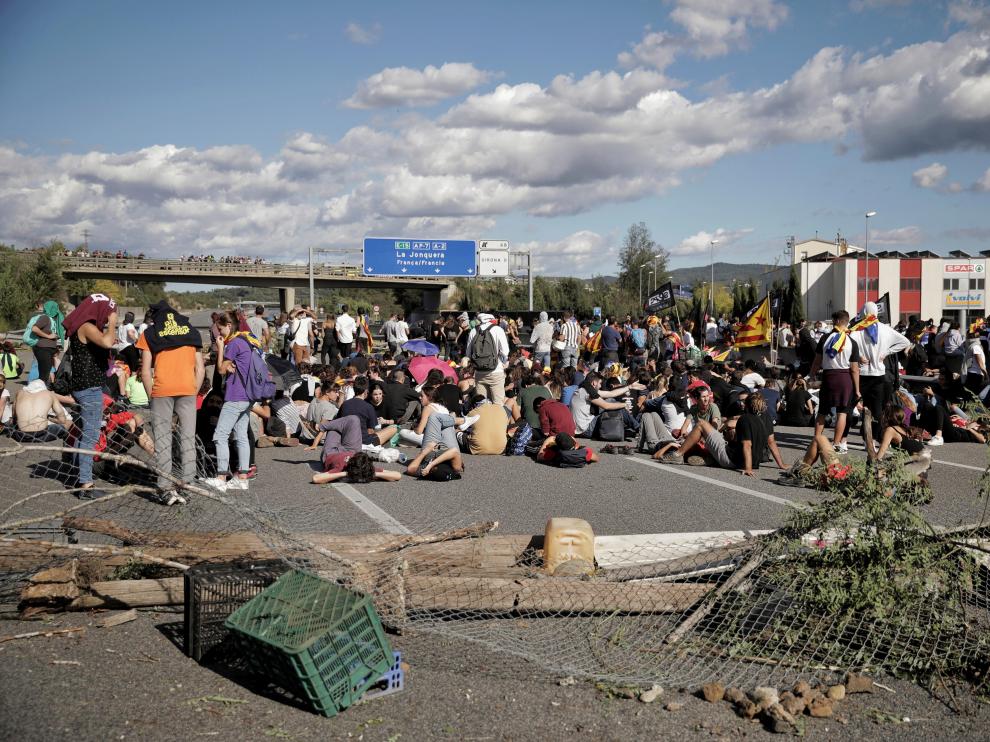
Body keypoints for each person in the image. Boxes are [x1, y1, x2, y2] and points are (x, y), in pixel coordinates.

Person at [136, 301, 206, 504]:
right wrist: (193, 391)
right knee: (188, 439)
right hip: (187, 389)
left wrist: (152, 397)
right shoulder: (192, 331)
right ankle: (188, 486)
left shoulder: (149, 334)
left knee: (163, 441)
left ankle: (165, 489)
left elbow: (145, 371)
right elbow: (200, 369)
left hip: (162, 391)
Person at [62, 293, 118, 499]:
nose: (109, 315)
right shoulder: (86, 326)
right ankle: (86, 484)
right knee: (90, 436)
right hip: (89, 388)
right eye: (109, 311)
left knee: (84, 433)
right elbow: (107, 342)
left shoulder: (84, 325)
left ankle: (78, 475)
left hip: (84, 386)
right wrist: (113, 322)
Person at [662, 393, 786, 476]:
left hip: (733, 460)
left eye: (743, 402)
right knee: (724, 437)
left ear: (747, 405)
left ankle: (677, 455)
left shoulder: (745, 419)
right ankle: (711, 459)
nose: (741, 404)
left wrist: (748, 468)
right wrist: (781, 464)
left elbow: (747, 445)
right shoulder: (765, 419)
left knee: (701, 424)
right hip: (754, 462)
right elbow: (771, 442)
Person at [202, 311, 258, 491]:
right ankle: (242, 477)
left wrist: (220, 348)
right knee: (241, 435)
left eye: (220, 329)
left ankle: (221, 477)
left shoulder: (233, 343)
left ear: (229, 326)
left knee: (220, 435)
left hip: (235, 396)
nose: (219, 333)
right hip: (247, 395)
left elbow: (220, 370)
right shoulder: (246, 340)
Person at [849, 301, 910, 435]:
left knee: (855, 406)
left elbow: (847, 344)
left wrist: (858, 356)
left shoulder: (857, 329)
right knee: (877, 409)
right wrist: (887, 352)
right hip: (879, 374)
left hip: (863, 374)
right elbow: (905, 342)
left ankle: (845, 439)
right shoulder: (885, 329)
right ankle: (874, 437)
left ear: (863, 312)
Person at [811, 310, 861, 454]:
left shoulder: (825, 338)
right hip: (845, 378)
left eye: (833, 321)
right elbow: (855, 369)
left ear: (838, 321)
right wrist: (857, 390)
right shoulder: (852, 342)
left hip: (828, 376)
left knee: (822, 412)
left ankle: (816, 441)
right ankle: (836, 444)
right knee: (842, 413)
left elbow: (817, 361)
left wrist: (811, 375)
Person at [568, 372, 642, 439]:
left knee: (611, 400)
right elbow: (606, 406)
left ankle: (632, 428)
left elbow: (611, 394)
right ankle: (639, 428)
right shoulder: (587, 392)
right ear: (594, 383)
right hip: (586, 430)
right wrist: (624, 404)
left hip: (579, 429)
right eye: (600, 383)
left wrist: (629, 387)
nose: (600, 386)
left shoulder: (582, 390)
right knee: (617, 406)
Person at [337, 375, 399, 446]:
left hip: (346, 439)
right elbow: (371, 431)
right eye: (375, 394)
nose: (378, 396)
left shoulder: (345, 404)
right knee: (393, 429)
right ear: (366, 391)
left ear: (354, 389)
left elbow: (338, 421)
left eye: (380, 394)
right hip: (364, 441)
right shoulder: (368, 407)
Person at [466, 313, 510, 405]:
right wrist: (501, 362)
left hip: (479, 372)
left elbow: (468, 354)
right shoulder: (498, 329)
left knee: (481, 404)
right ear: (491, 319)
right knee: (498, 404)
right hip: (495, 371)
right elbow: (505, 352)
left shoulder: (473, 331)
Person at [28, 299, 65, 390]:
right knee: (44, 375)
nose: (57, 310)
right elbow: (34, 329)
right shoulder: (45, 317)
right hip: (43, 349)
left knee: (45, 373)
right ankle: (39, 391)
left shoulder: (52, 319)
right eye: (55, 308)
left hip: (47, 349)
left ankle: (41, 390)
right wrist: (48, 336)